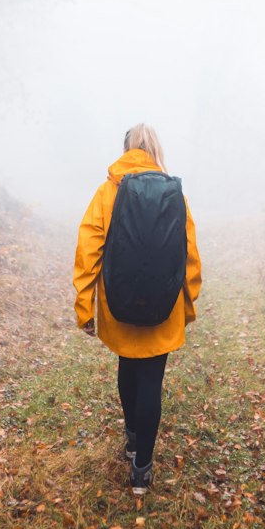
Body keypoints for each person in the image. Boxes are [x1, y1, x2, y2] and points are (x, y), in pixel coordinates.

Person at [73, 124, 202, 493]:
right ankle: (142, 469)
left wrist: (86, 306)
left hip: (118, 304)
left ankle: (131, 439)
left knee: (127, 367)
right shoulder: (174, 194)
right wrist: (187, 306)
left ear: (126, 148)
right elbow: (190, 254)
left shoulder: (108, 190)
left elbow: (88, 250)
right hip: (164, 307)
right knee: (151, 380)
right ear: (154, 149)